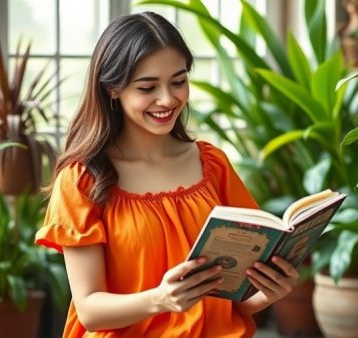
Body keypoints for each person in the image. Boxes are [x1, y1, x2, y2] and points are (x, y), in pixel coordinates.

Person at [35, 11, 298, 338]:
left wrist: (268, 293)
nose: (168, 99)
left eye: (178, 81)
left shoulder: (213, 165)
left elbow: (236, 302)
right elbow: (90, 311)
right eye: (147, 87)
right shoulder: (82, 180)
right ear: (112, 89)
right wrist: (161, 299)